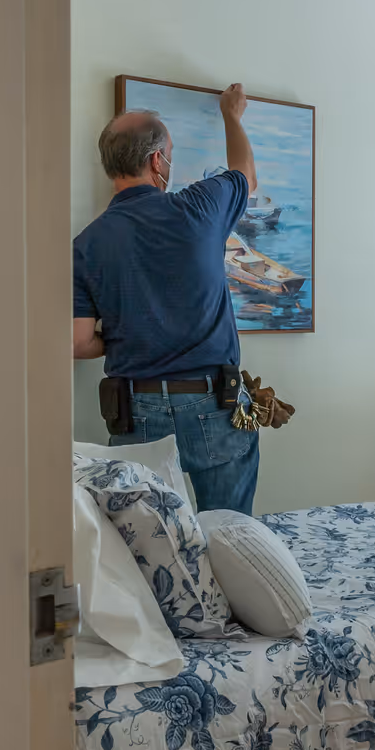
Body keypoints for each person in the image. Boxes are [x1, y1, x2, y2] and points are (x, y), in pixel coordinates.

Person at [73, 83, 262, 514]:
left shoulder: (85, 245)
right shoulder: (199, 206)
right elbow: (245, 177)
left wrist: (127, 332)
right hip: (213, 402)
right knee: (229, 533)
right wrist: (232, 116)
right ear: (157, 160)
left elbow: (78, 342)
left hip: (135, 411)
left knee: (149, 548)